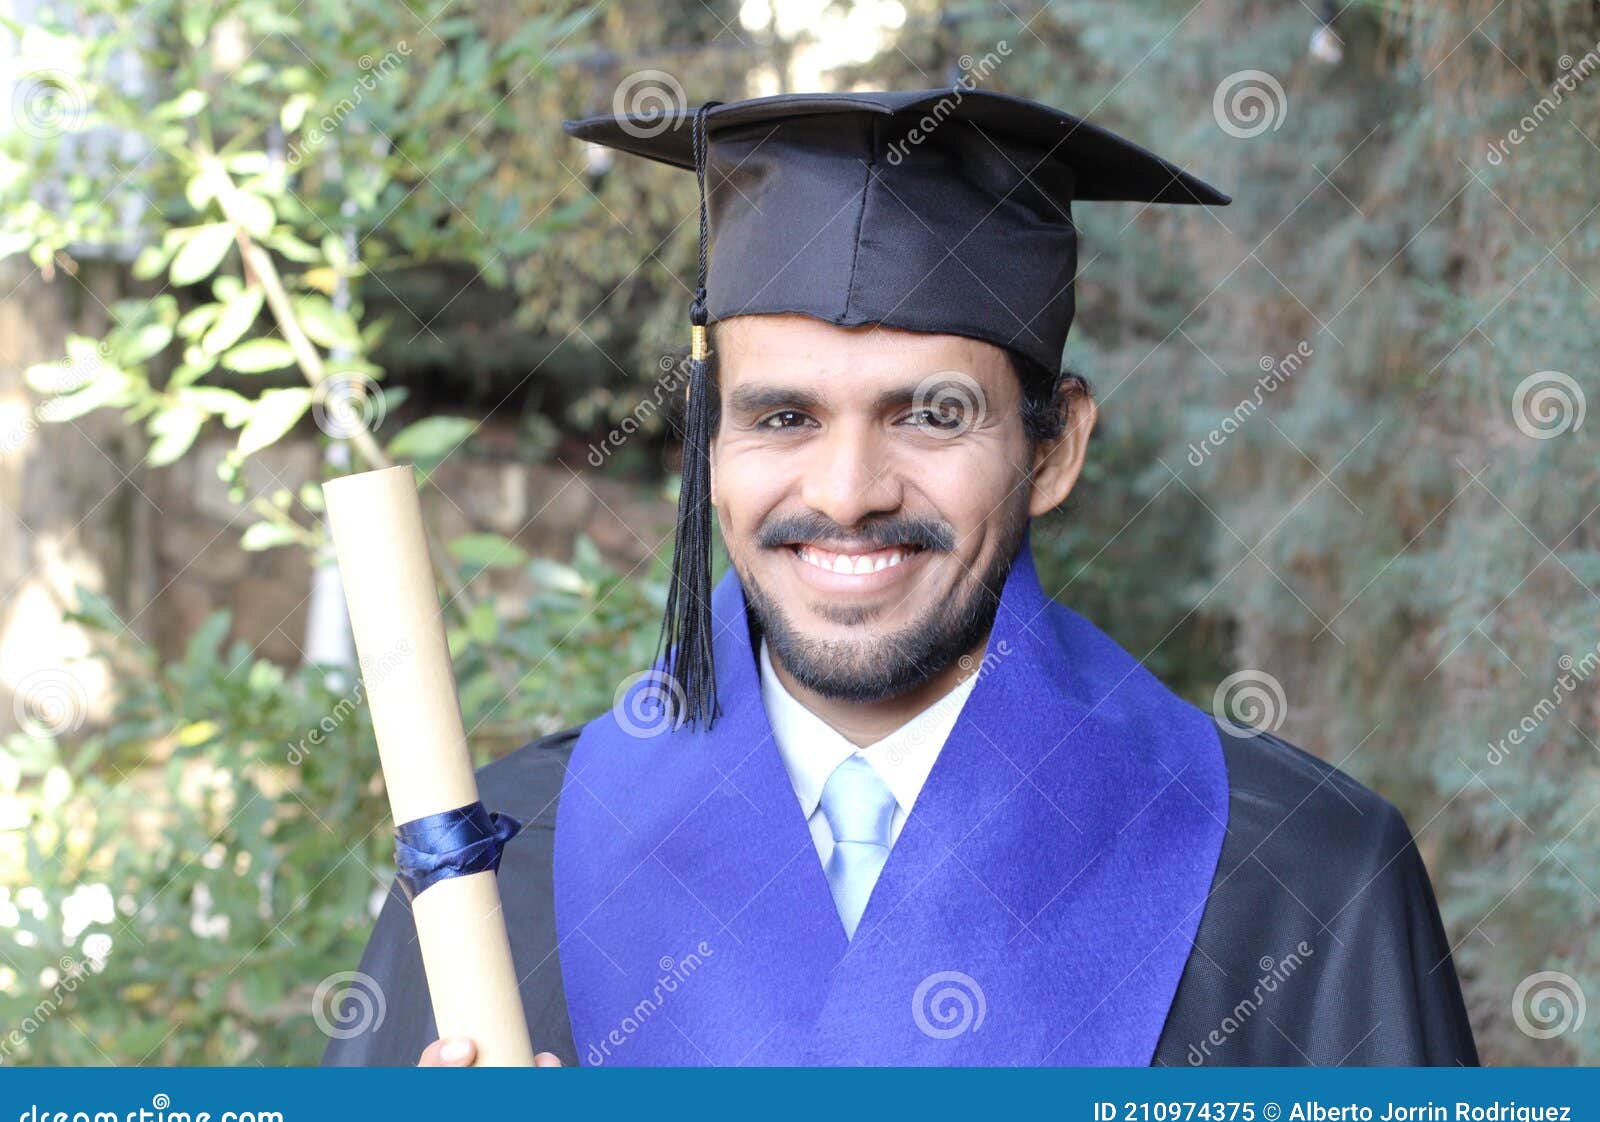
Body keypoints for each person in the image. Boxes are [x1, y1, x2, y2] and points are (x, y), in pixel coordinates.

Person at [323, 88, 1477, 1068]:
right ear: (706, 447)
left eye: (931, 414)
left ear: (1052, 447)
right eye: (781, 415)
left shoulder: (1301, 879)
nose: (846, 489)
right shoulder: (499, 870)